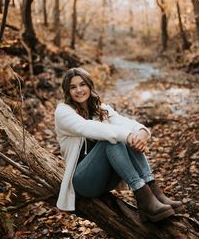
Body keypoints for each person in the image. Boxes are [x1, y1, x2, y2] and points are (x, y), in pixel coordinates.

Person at [54, 67, 183, 222]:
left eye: (83, 85)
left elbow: (124, 122)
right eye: (73, 87)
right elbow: (88, 128)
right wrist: (128, 136)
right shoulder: (63, 112)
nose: (79, 90)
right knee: (111, 141)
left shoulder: (99, 108)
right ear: (67, 91)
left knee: (123, 138)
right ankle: (143, 197)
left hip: (106, 178)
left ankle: (155, 193)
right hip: (83, 182)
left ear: (89, 85)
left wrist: (141, 133)